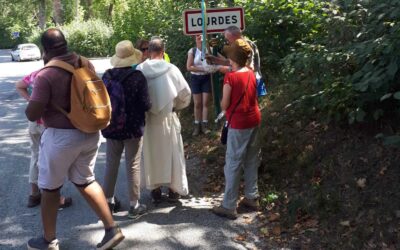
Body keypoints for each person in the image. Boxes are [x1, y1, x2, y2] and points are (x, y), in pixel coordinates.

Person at [25, 28, 124, 250]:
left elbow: (32, 113)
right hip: (90, 132)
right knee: (86, 180)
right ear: (65, 43)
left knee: (50, 189)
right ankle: (111, 229)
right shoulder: (84, 63)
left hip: (61, 137)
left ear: (45, 50)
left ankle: (48, 240)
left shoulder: (46, 75)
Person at [136, 36, 191, 203]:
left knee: (152, 155)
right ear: (163, 51)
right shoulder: (172, 69)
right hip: (168, 117)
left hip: (148, 120)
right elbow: (185, 93)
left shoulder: (139, 69)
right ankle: (174, 189)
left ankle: (155, 189)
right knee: (173, 153)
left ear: (149, 52)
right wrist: (177, 106)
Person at [211, 39, 262, 220]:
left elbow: (224, 104)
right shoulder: (250, 72)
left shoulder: (230, 77)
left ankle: (229, 205)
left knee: (233, 163)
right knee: (251, 160)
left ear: (232, 57)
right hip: (254, 119)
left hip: (239, 123)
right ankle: (252, 197)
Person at [101, 40, 151, 219]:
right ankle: (134, 205)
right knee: (133, 165)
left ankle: (107, 203)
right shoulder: (137, 77)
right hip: (133, 128)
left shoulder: (106, 76)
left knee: (111, 164)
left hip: (112, 127)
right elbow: (146, 104)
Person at [16, 71, 72, 209]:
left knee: (35, 155)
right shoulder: (58, 75)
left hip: (34, 120)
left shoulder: (36, 74)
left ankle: (34, 194)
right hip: (48, 122)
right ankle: (56, 199)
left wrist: (31, 101)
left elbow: (19, 85)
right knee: (52, 158)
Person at [186, 35, 212, 136]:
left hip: (206, 78)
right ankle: (197, 126)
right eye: (198, 37)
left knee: (205, 102)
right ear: (195, 39)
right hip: (195, 78)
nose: (201, 39)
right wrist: (204, 69)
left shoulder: (210, 49)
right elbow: (189, 67)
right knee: (197, 103)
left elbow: (217, 59)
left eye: (202, 37)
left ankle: (204, 125)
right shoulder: (192, 51)